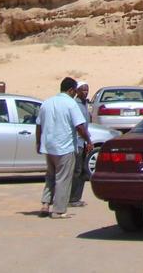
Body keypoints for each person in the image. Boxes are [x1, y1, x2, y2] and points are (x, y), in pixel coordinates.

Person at [36, 76, 91, 219]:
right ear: (71, 90)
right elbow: (79, 126)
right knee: (63, 178)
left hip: (49, 147)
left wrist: (38, 143)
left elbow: (38, 125)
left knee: (50, 177)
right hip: (64, 147)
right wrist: (88, 140)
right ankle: (59, 210)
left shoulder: (46, 103)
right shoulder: (70, 104)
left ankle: (45, 204)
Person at [68, 81, 92, 207]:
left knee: (83, 170)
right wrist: (88, 140)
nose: (85, 92)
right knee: (77, 170)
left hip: (84, 142)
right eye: (82, 90)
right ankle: (72, 198)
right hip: (77, 142)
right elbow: (79, 126)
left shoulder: (85, 104)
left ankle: (77, 197)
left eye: (87, 90)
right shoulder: (75, 105)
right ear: (77, 91)